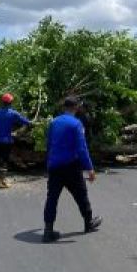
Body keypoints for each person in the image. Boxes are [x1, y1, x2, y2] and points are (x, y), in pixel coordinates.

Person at [43, 97, 102, 243]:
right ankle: (88, 223)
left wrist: (49, 163)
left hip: (55, 165)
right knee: (81, 195)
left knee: (52, 198)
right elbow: (81, 149)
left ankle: (48, 231)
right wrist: (89, 169)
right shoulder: (76, 124)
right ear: (76, 107)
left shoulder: (53, 122)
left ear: (64, 107)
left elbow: (49, 144)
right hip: (71, 166)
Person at [0, 93, 31, 189]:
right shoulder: (13, 113)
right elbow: (24, 121)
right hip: (6, 141)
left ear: (2, 102)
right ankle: (2, 181)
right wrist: (31, 123)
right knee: (4, 161)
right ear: (11, 103)